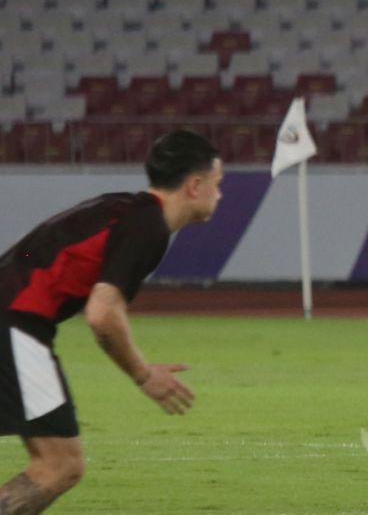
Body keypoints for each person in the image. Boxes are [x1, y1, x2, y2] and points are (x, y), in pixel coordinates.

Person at [0, 130, 223, 513]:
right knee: (60, 465)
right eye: (218, 185)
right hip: (15, 323)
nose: (220, 195)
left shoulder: (125, 210)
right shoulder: (147, 227)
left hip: (14, 319)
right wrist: (143, 374)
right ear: (195, 186)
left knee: (58, 463)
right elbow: (102, 314)